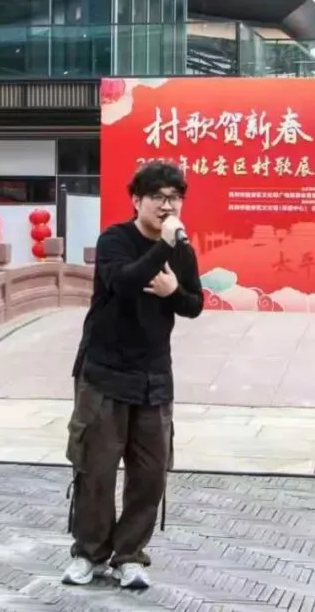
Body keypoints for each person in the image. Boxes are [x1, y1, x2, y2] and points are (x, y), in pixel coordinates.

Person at [62, 159, 204, 590]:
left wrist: (173, 291)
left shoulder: (182, 250)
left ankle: (129, 556)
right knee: (96, 470)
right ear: (136, 200)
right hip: (105, 373)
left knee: (150, 475)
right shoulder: (115, 239)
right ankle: (89, 554)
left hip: (153, 377)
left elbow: (194, 304)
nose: (166, 206)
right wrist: (163, 247)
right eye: (157, 197)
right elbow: (123, 283)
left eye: (174, 198)